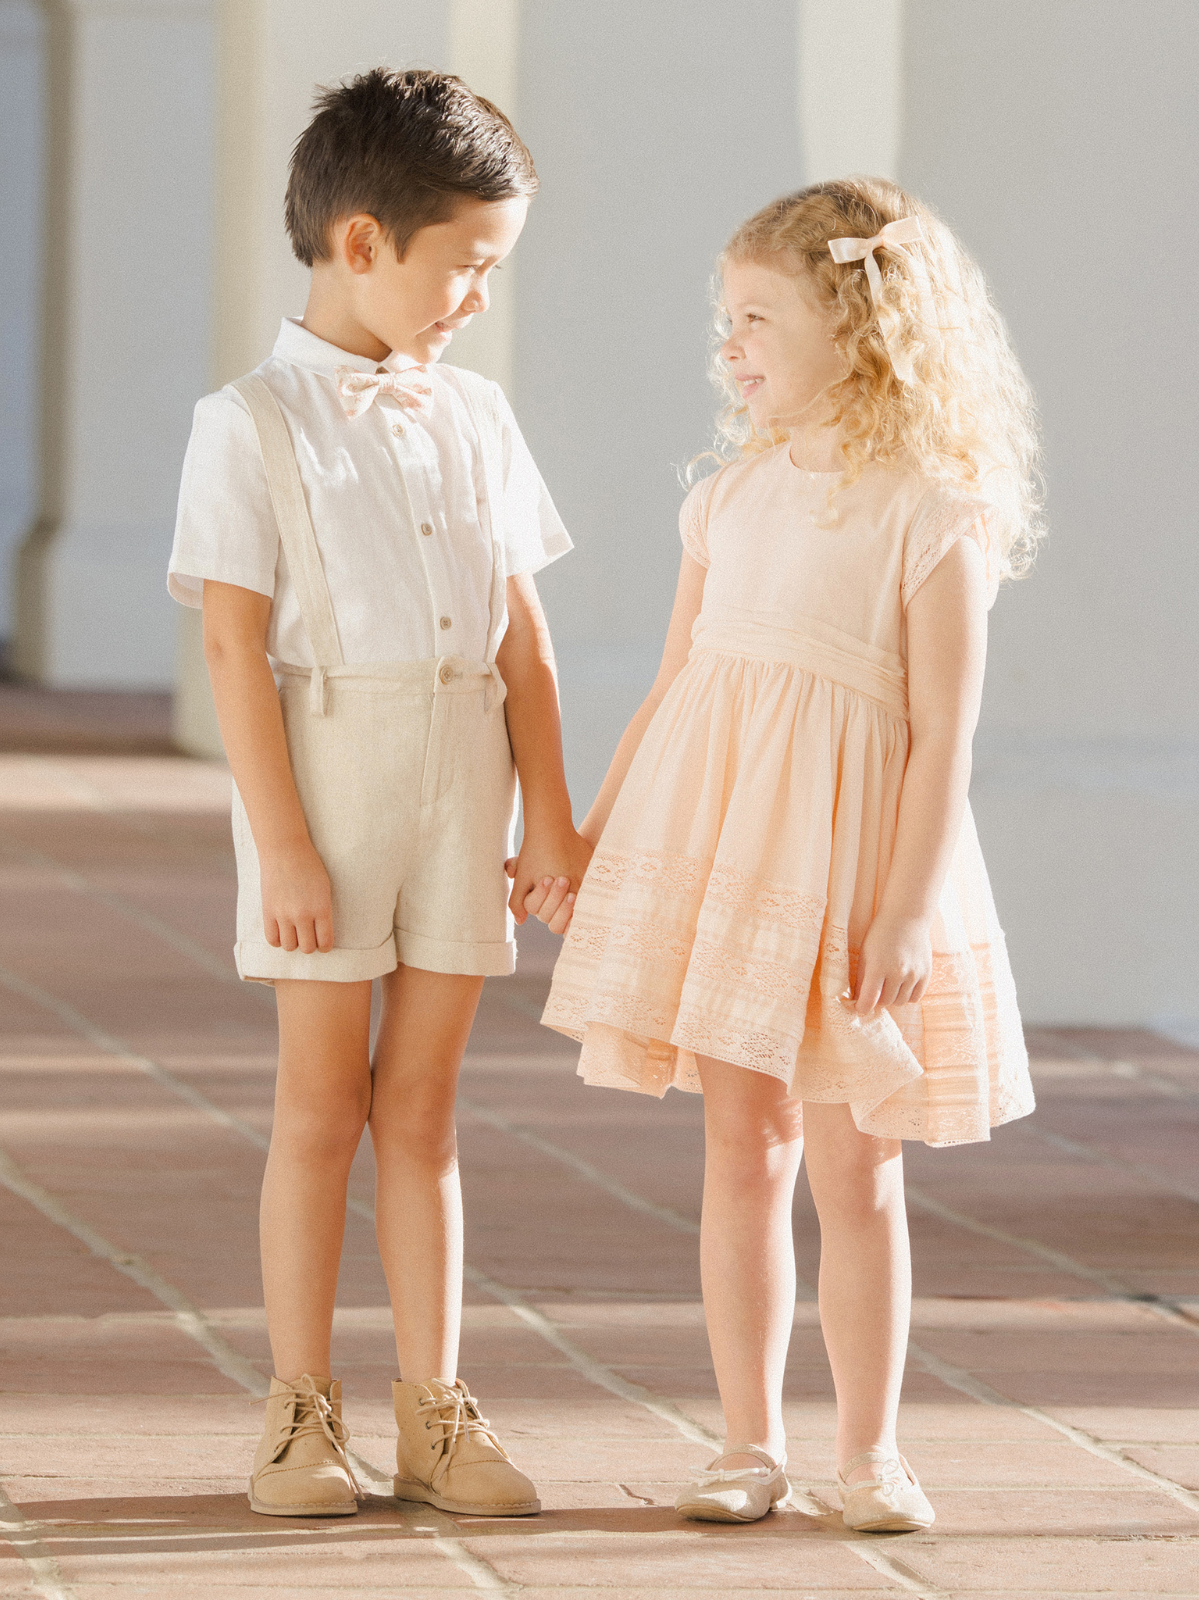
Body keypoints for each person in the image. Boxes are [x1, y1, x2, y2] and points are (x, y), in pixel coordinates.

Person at [533, 178, 1041, 1529]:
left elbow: (942, 736)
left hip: (853, 866)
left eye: (756, 315)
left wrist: (905, 908)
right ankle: (744, 1441)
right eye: (726, 317)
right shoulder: (727, 501)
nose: (729, 345)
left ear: (860, 324)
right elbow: (668, 688)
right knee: (739, 1150)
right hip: (721, 860)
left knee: (854, 1157)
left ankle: (868, 1451)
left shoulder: (930, 513)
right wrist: (587, 832)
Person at [168, 68, 590, 1519]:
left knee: (422, 1108)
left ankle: (436, 1409)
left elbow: (521, 633)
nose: (477, 295)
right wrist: (280, 841)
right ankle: (299, 1411)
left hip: (462, 775)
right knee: (317, 1107)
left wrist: (552, 811)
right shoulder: (249, 422)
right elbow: (230, 639)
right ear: (362, 242)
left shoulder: (475, 417)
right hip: (328, 782)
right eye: (465, 263)